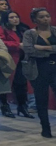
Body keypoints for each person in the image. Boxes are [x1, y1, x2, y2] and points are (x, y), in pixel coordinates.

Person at [22, 8, 56, 138]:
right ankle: (45, 128)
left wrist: (44, 48)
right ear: (35, 20)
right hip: (38, 69)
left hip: (54, 68)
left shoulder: (54, 30)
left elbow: (37, 49)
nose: (46, 18)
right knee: (41, 100)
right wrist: (52, 50)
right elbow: (30, 50)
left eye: (47, 16)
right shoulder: (29, 34)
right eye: (42, 17)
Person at [0, 10, 31, 118]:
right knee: (6, 84)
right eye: (11, 17)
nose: (15, 19)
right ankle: (4, 106)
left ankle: (22, 106)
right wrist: (17, 45)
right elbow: (0, 42)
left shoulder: (23, 29)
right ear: (6, 19)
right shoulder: (0, 29)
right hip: (8, 59)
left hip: (22, 59)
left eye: (16, 16)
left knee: (21, 84)